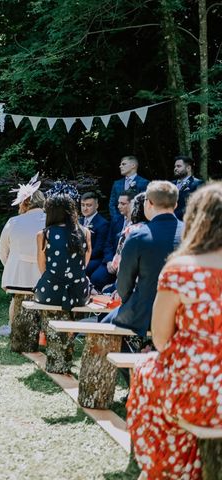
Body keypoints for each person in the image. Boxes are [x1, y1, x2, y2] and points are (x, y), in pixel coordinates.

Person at [127, 182, 222, 479]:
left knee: (145, 375)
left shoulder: (181, 269)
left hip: (200, 393)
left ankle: (173, 468)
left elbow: (161, 338)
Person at [102, 181, 182, 337]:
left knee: (103, 327)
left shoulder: (138, 235)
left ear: (149, 203)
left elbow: (124, 282)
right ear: (176, 204)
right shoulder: (192, 234)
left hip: (145, 311)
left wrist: (127, 301)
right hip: (182, 312)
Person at [34, 192, 91, 310]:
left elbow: (42, 266)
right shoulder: (85, 232)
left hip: (49, 291)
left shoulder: (44, 234)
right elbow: (84, 262)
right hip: (79, 292)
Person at [0, 178, 45, 292]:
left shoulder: (13, 222)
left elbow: (3, 251)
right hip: (44, 279)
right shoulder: (52, 222)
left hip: (16, 277)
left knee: (16, 306)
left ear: (23, 202)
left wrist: (11, 265)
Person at [90, 190, 135, 291]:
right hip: (112, 261)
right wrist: (109, 261)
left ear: (132, 204)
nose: (118, 206)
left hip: (127, 263)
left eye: (122, 204)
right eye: (118, 203)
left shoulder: (138, 223)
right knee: (96, 278)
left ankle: (112, 288)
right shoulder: (116, 220)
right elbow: (108, 243)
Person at [108, 155, 149, 221]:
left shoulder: (144, 183)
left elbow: (144, 204)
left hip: (136, 221)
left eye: (123, 164)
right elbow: (112, 204)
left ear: (133, 165)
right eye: (120, 164)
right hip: (118, 222)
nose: (120, 166)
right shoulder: (117, 184)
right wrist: (116, 218)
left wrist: (135, 218)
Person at [79, 192, 109, 277]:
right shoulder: (78, 221)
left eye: (88, 205)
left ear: (96, 206)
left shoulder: (102, 224)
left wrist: (81, 258)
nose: (85, 208)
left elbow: (98, 250)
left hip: (94, 258)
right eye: (83, 205)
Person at [173, 155, 204, 220]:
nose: (175, 169)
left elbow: (196, 205)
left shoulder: (198, 183)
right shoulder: (170, 184)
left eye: (178, 166)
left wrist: (175, 215)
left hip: (186, 222)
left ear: (188, 168)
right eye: (175, 166)